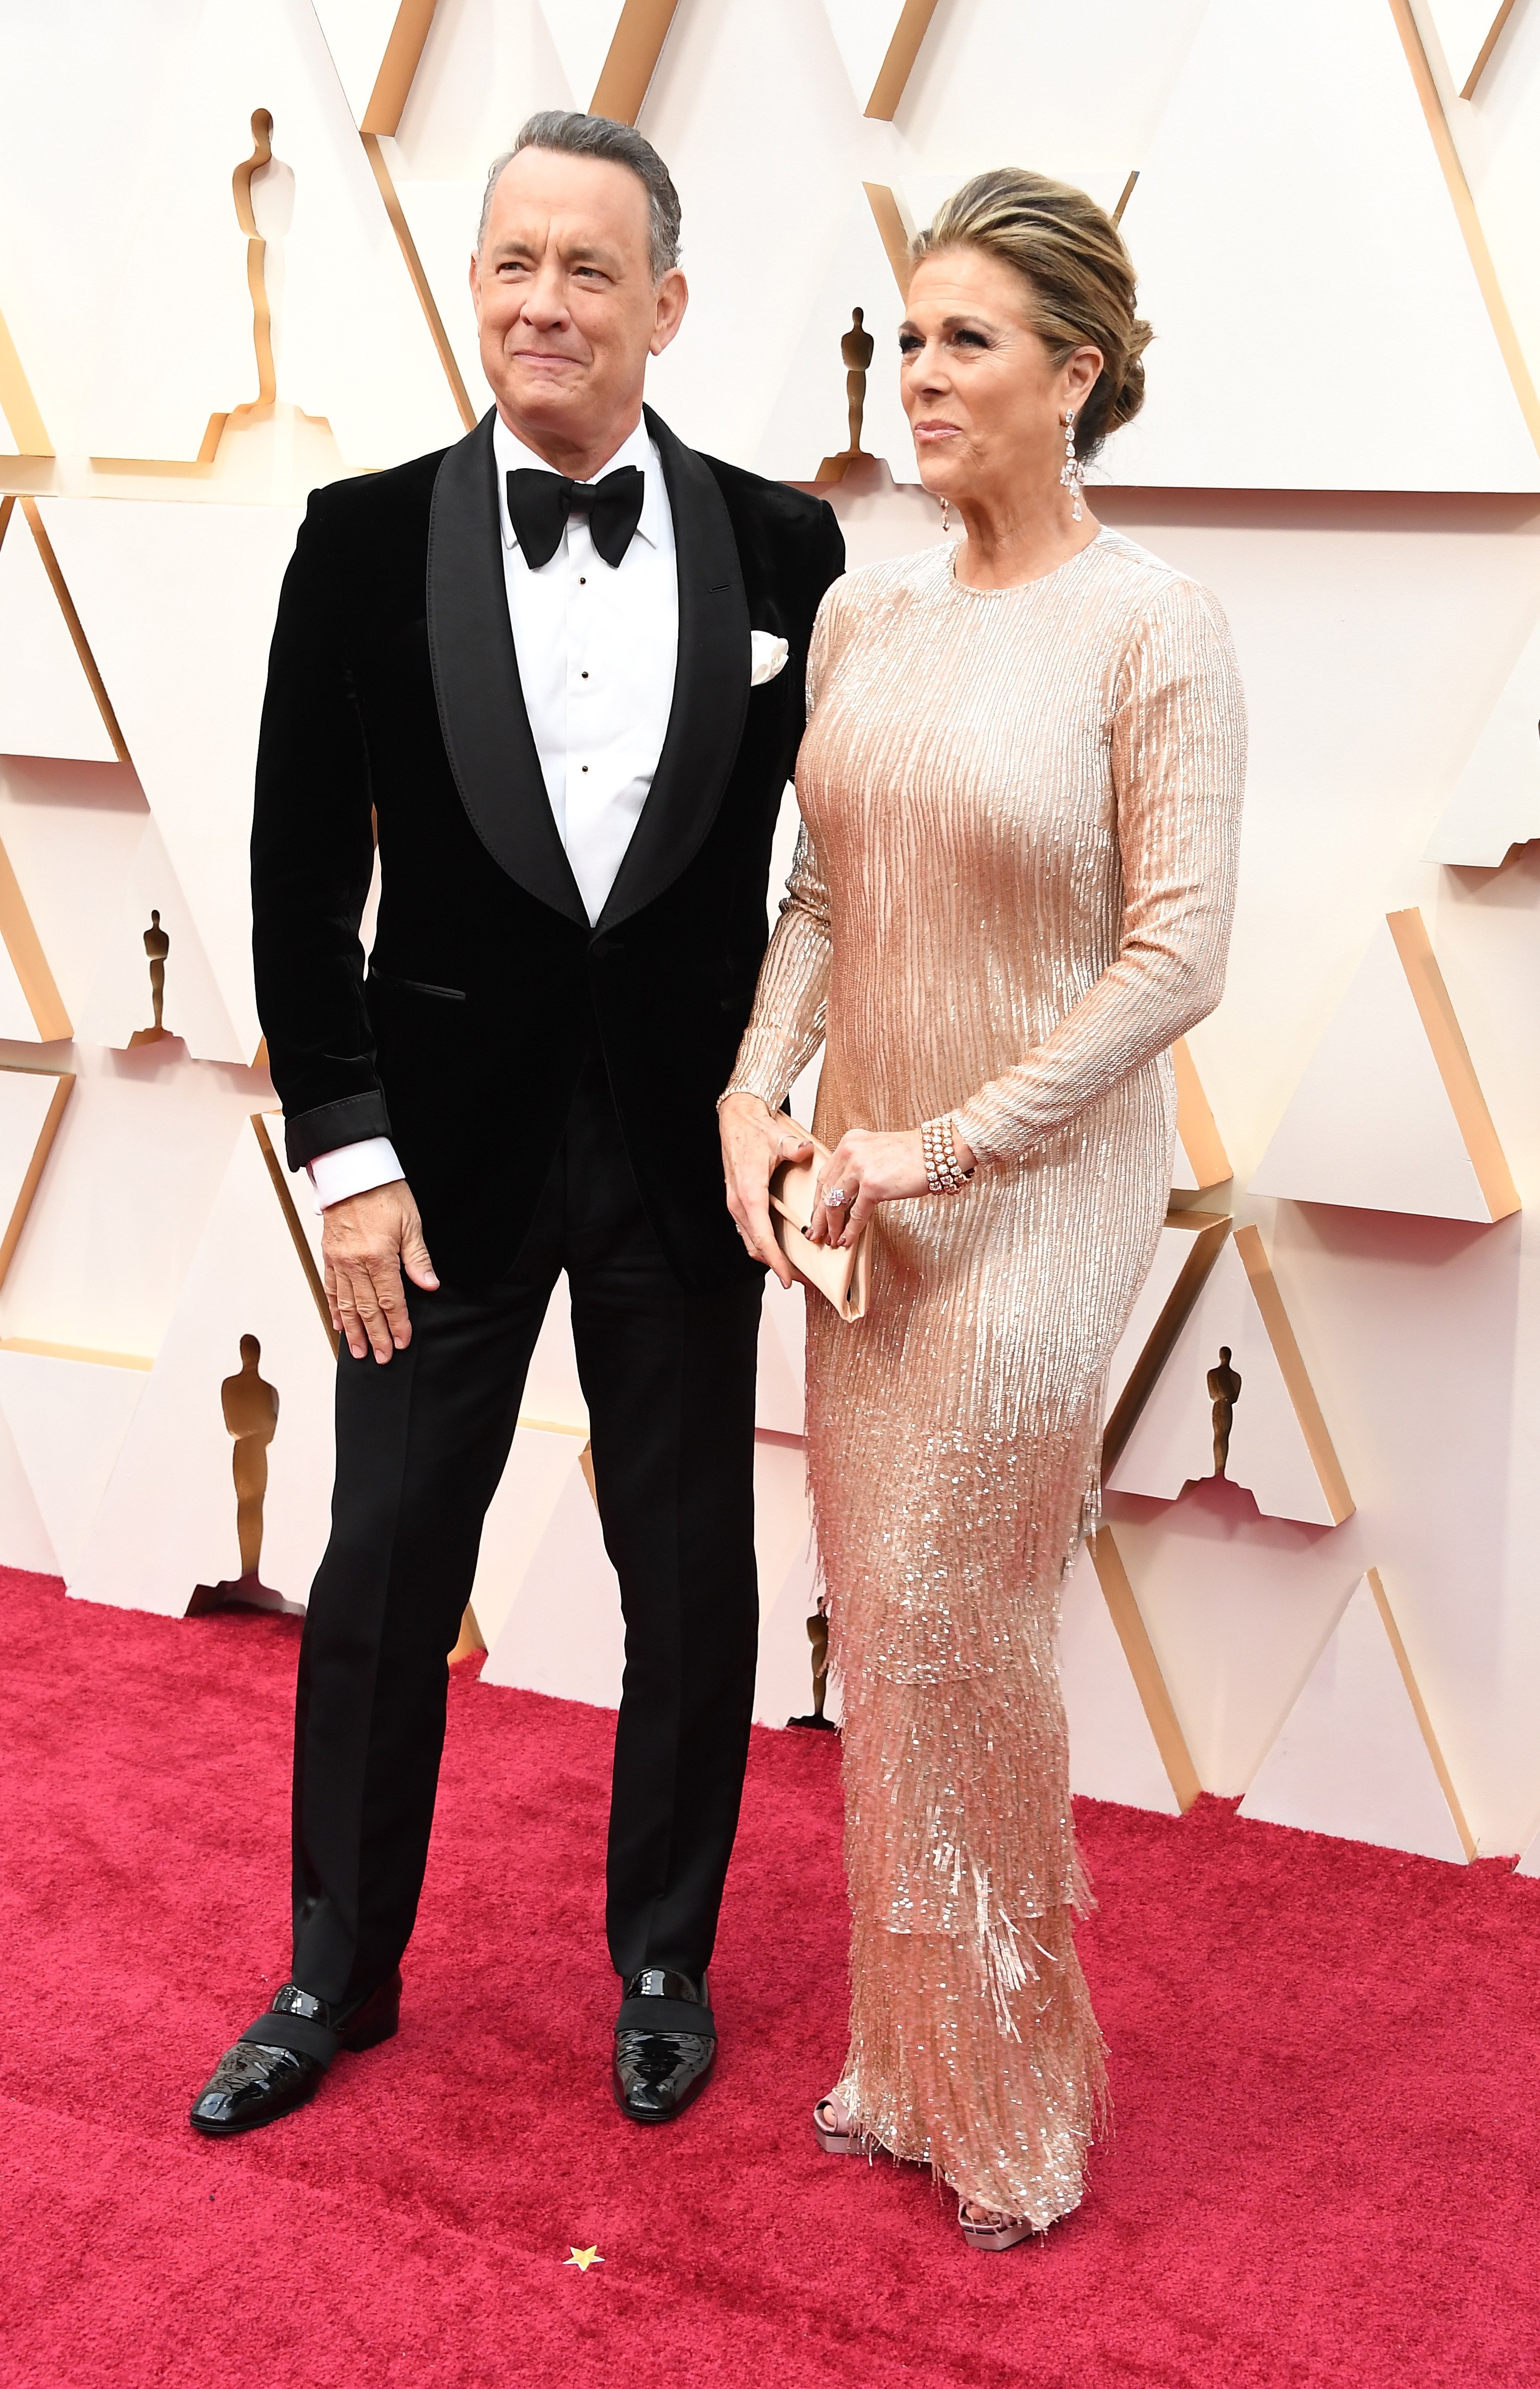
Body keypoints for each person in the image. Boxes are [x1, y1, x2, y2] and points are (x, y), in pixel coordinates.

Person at [189, 111, 843, 2139]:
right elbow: (299, 884)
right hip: (435, 1171)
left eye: (586, 268)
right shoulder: (359, 537)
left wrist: (798, 1109)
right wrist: (347, 1156)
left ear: (663, 303)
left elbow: (842, 869)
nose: (541, 299)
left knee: (691, 1573)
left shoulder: (789, 549)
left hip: (682, 1151)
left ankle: (661, 1954)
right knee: (380, 1560)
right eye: (509, 263)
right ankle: (333, 1967)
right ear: (472, 289)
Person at [720, 168, 1245, 2247]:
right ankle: (902, 2051)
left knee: (957, 1614)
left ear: (1075, 374)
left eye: (963, 342)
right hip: (851, 1195)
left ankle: (1008, 2088)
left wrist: (933, 1142)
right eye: (907, 334)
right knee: (884, 1618)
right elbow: (826, 895)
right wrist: (758, 1093)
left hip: (1024, 1206)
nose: (915, 376)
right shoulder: (868, 609)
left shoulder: (1152, 627)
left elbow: (1174, 962)